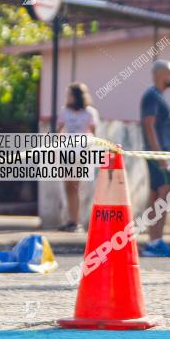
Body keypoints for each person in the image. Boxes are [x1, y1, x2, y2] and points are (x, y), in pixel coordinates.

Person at [139, 60, 170, 257]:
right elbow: (149, 125)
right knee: (164, 196)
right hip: (158, 155)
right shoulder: (152, 96)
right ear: (161, 74)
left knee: (159, 197)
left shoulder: (158, 96)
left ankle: (154, 241)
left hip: (161, 154)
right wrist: (160, 155)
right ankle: (155, 242)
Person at [56, 82, 99, 233]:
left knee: (75, 186)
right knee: (68, 187)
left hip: (81, 153)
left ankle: (75, 221)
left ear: (77, 96)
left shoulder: (89, 113)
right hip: (66, 152)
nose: (67, 98)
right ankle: (70, 220)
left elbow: (93, 134)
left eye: (69, 94)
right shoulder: (64, 112)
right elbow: (59, 130)